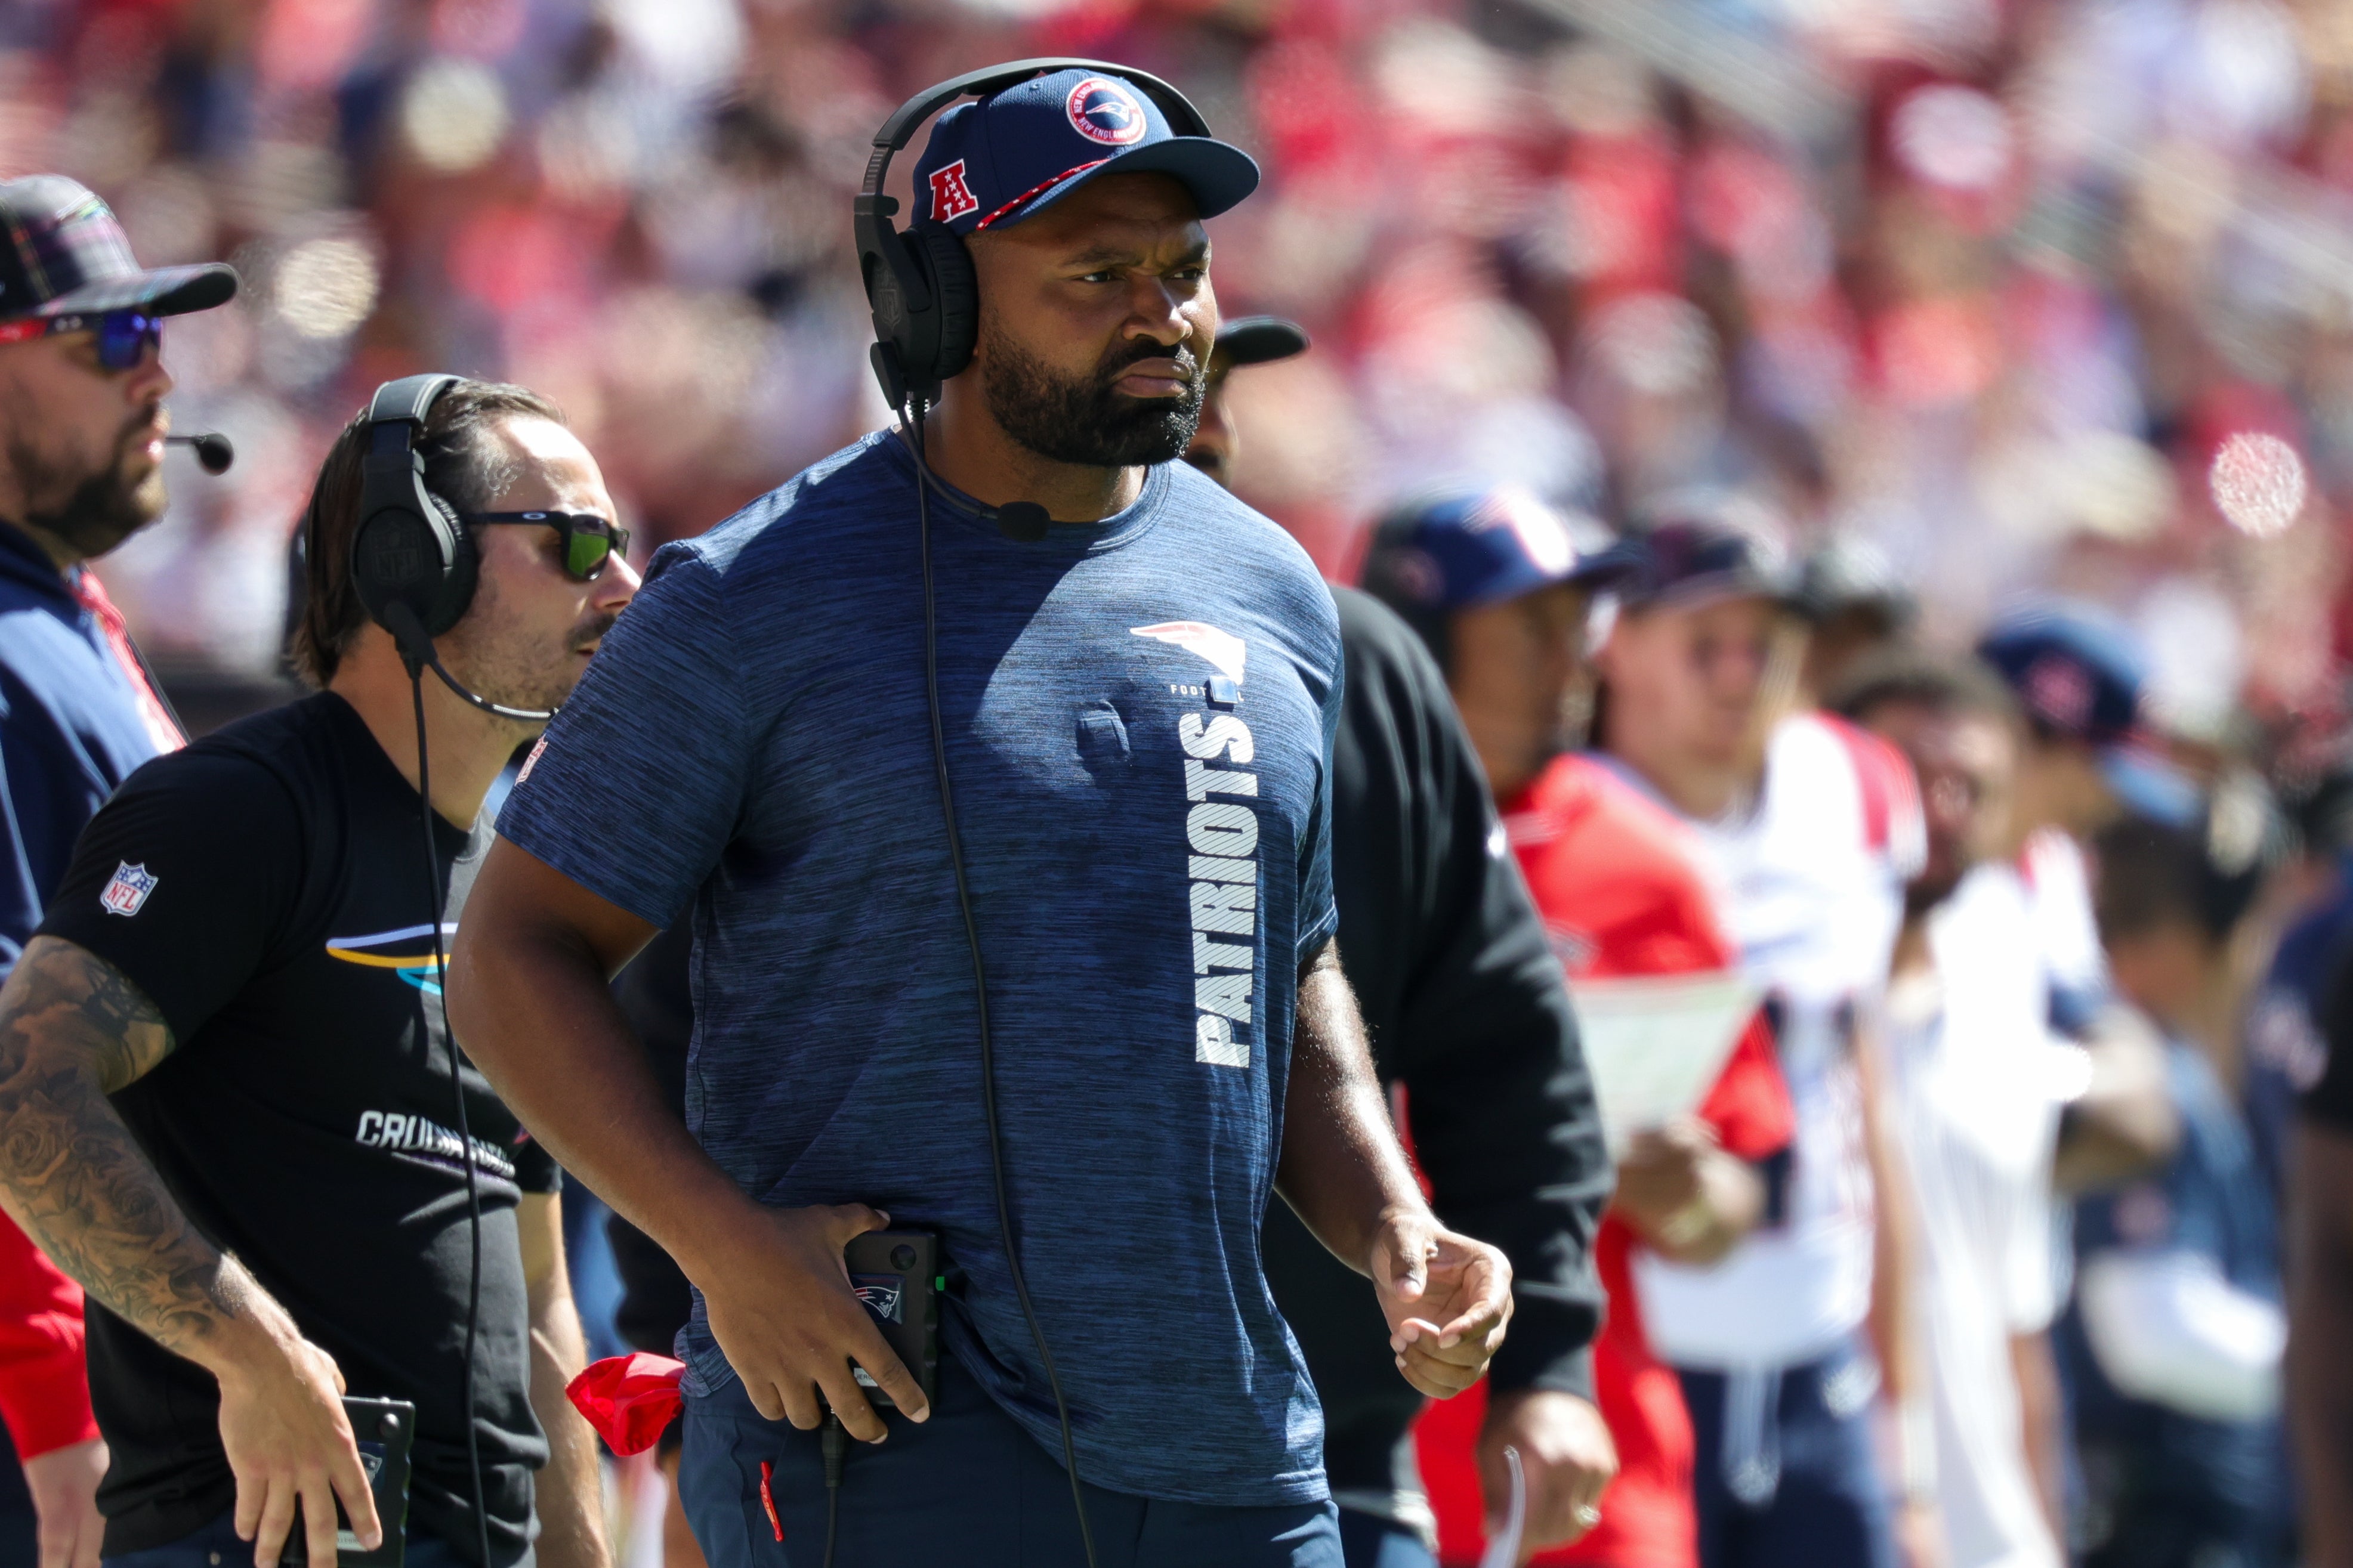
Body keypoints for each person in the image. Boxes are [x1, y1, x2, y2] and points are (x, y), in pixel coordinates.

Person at [445, 65, 1514, 1568]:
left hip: (1233, 1457)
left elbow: (1286, 953)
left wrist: (1393, 1223)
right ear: (937, 304)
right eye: (1094, 274)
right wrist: (720, 1247)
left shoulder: (1272, 586)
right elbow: (510, 948)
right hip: (884, 1449)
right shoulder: (748, 599)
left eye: (1182, 269)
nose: (1164, 314)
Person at [0, 378, 633, 1568]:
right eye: (576, 543)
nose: (622, 586)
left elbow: (536, 1280)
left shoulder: (526, 884)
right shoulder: (237, 810)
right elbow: (20, 1087)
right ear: (417, 562)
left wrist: (579, 1548)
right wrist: (251, 1353)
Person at [1192, 337, 1620, 1567]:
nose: (1205, 420)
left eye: (1218, 390)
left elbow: (1505, 1052)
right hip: (979, 1464)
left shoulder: (1358, 662)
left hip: (1324, 1457)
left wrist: (1548, 1361)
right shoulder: (914, 654)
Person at [1361, 491, 1796, 1568]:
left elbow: (1735, 1199)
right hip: (1359, 1464)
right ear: (1416, 639)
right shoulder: (1312, 830)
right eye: (1529, 627)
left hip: (1586, 1466)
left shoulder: (1645, 862)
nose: (1575, 662)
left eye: (1580, 626)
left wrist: (1679, 1196)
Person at [1589, 514, 1928, 1568]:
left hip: (1815, 1345)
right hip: (1635, 1351)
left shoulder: (1855, 787)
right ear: (1617, 640)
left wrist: (1899, 1414)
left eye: (1765, 642)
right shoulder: (1558, 816)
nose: (1740, 674)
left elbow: (1865, 1093)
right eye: (1705, 640)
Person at [0, 174, 239, 1568]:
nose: (155, 373)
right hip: (56, 1437)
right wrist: (55, 1403)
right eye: (104, 341)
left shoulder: (55, 618)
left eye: (156, 336)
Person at [1836, 652, 2070, 1568]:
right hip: (1820, 1516)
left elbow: (2022, 1315)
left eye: (1973, 783)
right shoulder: (1769, 981)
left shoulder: (2008, 965)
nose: (1943, 807)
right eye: (1912, 774)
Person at [2064, 805, 2292, 1568]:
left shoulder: (2183, 1069)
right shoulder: (2137, 1089)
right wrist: (2317, 1366)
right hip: (2157, 1516)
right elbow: (2150, 1333)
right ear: (2168, 943)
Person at [1975, 607, 2186, 1195]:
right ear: (2027, 739)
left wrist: (2026, 1088)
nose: (2106, 803)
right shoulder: (1909, 859)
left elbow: (2132, 1076)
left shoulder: (2050, 869)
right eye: (2094, 768)